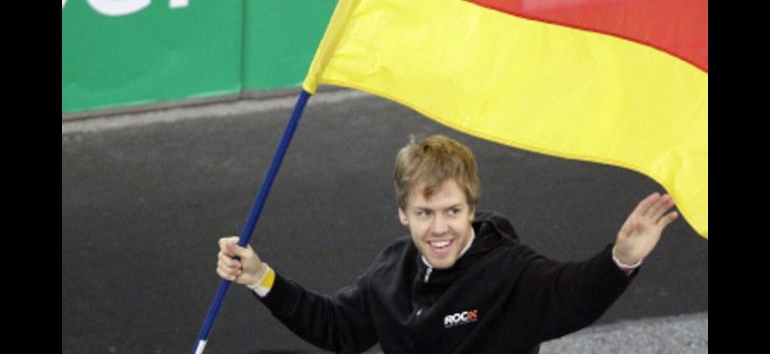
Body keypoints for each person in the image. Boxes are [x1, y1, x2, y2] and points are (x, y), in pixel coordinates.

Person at [216, 135, 678, 353]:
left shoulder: (508, 270)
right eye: (425, 213)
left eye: (453, 212)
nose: (440, 229)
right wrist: (261, 278)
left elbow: (569, 294)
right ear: (403, 214)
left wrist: (620, 260)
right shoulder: (390, 273)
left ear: (472, 208)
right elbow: (341, 328)